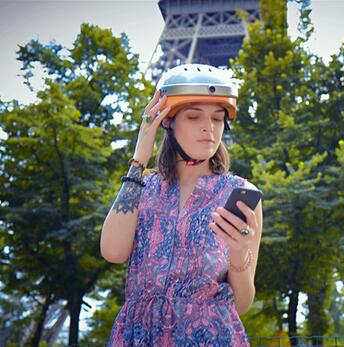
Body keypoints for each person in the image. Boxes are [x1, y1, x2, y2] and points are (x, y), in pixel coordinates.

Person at [100, 64, 263, 346]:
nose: (208, 128)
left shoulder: (239, 193)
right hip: (139, 336)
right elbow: (113, 252)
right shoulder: (143, 187)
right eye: (193, 116)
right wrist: (140, 158)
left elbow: (243, 304)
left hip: (210, 337)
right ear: (168, 120)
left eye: (217, 118)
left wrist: (238, 254)